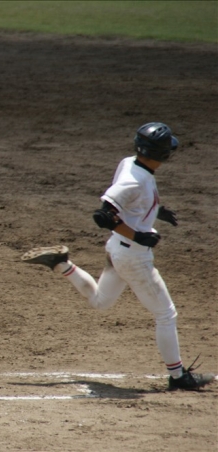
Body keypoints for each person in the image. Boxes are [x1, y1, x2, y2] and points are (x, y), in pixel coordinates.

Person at [21, 122, 215, 391]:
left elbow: (129, 202)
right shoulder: (136, 180)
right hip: (133, 257)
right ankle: (178, 376)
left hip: (117, 249)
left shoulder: (130, 163)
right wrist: (138, 235)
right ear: (162, 153)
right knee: (166, 314)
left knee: (100, 301)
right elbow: (103, 215)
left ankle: (61, 264)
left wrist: (153, 211)